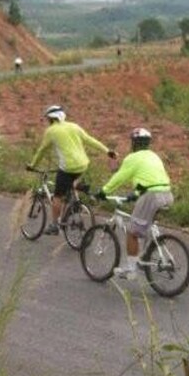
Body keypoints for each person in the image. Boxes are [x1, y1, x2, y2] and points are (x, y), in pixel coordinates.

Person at [96, 128, 173, 279]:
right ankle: (145, 256)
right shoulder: (154, 156)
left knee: (132, 232)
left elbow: (119, 177)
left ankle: (131, 270)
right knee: (146, 225)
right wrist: (135, 194)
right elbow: (149, 179)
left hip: (151, 196)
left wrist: (103, 191)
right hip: (167, 194)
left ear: (134, 143)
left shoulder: (133, 158)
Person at [26, 105, 116, 235]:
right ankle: (76, 198)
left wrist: (32, 165)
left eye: (48, 119)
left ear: (51, 119)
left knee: (57, 196)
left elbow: (42, 151)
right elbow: (90, 140)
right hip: (83, 165)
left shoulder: (51, 131)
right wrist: (107, 151)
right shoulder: (74, 126)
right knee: (71, 182)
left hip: (68, 167)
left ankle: (54, 225)